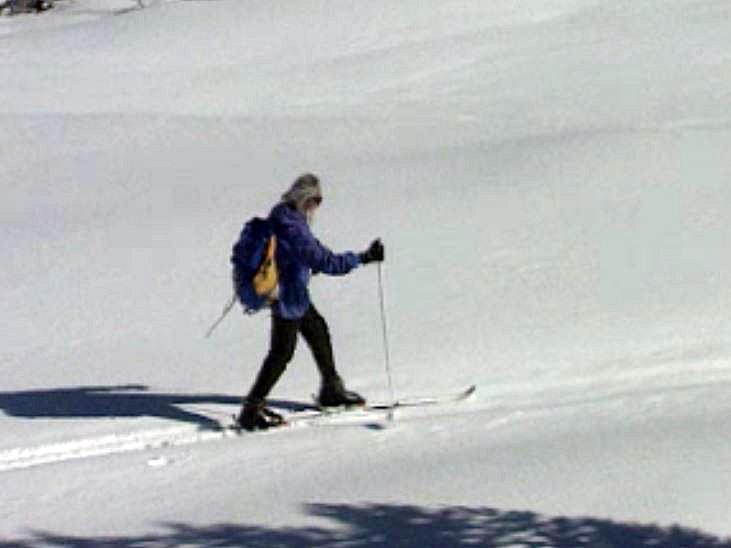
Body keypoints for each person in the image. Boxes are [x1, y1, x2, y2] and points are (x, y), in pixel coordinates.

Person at [236, 173, 385, 431]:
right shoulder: (293, 228)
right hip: (288, 296)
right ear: (304, 199)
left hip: (293, 292)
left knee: (317, 331)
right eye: (315, 200)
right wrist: (363, 258)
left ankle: (331, 389)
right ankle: (251, 410)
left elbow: (300, 256)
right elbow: (325, 261)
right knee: (281, 353)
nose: (317, 206)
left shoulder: (285, 215)